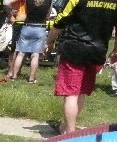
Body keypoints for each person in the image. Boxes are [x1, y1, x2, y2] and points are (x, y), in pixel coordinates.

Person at [45, 0, 117, 134]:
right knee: (81, 92)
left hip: (74, 48)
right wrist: (115, 50)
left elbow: (61, 19)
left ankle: (70, 132)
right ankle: (67, 127)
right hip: (97, 50)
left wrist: (48, 41)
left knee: (71, 93)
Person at [9, 0, 52, 83]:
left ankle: (14, 76)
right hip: (40, 27)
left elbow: (25, 10)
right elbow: (48, 15)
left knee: (21, 53)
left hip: (27, 26)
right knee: (35, 55)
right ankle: (31, 78)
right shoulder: (48, 1)